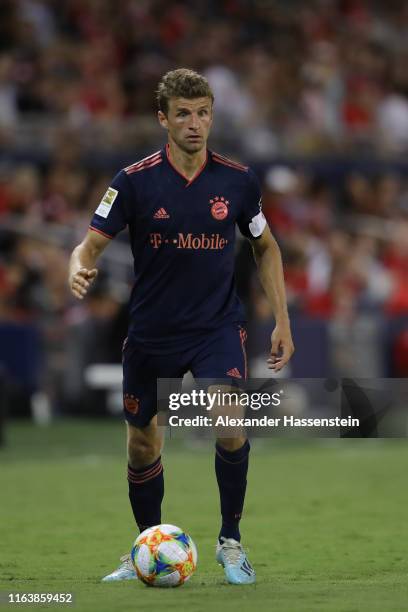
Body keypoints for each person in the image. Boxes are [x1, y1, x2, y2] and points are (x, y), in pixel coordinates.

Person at [68, 68, 294, 585]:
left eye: (204, 112)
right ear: (163, 118)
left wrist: (282, 319)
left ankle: (230, 542)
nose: (196, 123)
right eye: (185, 114)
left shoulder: (238, 181)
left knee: (230, 422)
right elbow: (89, 244)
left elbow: (266, 246)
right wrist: (77, 267)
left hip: (217, 326)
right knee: (143, 445)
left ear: (213, 114)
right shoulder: (132, 180)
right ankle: (146, 546)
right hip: (151, 332)